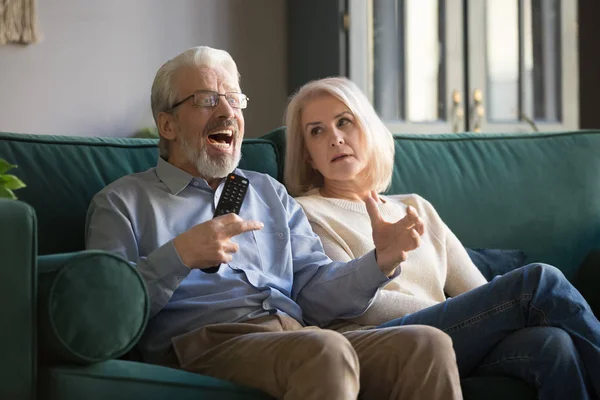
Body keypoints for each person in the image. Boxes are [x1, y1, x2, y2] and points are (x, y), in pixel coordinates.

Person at [85, 46, 463, 400]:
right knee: (324, 349)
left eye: (234, 100)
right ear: (167, 125)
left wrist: (380, 261)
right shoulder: (121, 202)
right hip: (205, 344)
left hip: (295, 335)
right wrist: (179, 256)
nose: (227, 113)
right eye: (207, 101)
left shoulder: (268, 192)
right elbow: (103, 319)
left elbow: (314, 288)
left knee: (426, 343)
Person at [284, 76, 600, 400]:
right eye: (317, 131)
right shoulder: (307, 213)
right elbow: (348, 306)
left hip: (451, 331)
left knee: (553, 345)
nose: (335, 138)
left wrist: (468, 316)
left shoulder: (414, 206)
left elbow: (478, 293)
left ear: (368, 129)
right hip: (379, 340)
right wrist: (454, 312)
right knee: (539, 280)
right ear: (308, 155)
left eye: (344, 122)